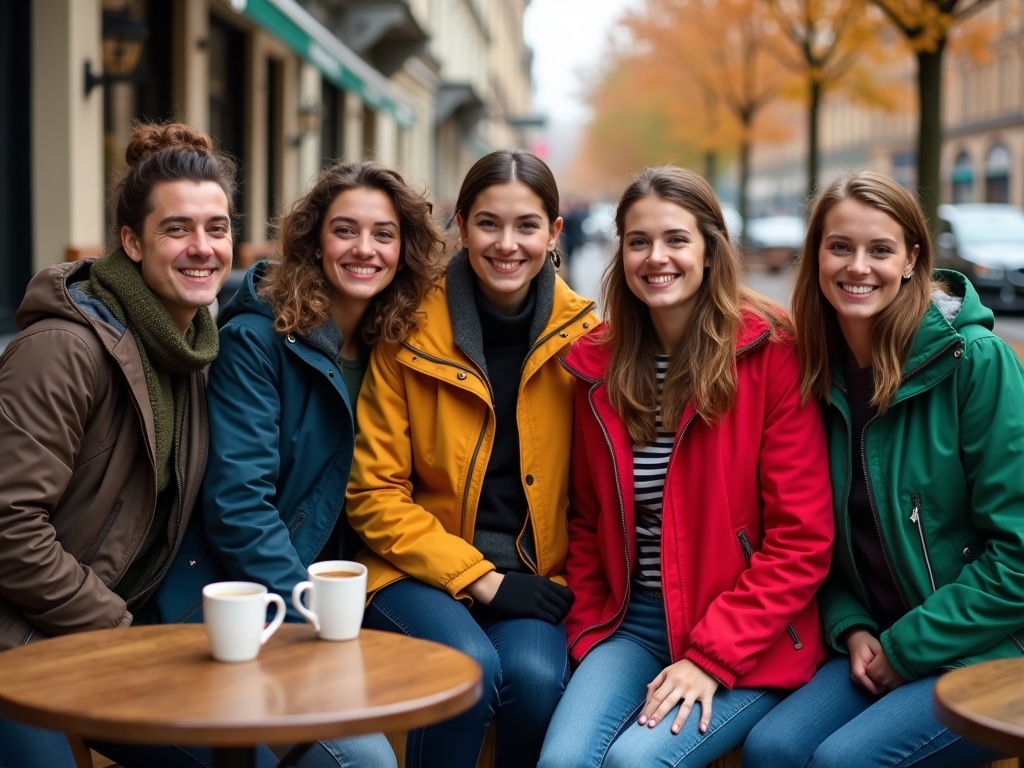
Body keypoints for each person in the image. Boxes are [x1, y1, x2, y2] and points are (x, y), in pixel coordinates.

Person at [142, 159, 447, 768]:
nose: (365, 249)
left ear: (406, 249)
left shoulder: (398, 344)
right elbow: (237, 507)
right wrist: (314, 612)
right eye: (345, 231)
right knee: (365, 761)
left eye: (384, 234)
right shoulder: (258, 341)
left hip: (339, 586)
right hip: (246, 603)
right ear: (312, 242)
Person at [537, 166, 835, 768]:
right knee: (562, 762)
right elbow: (590, 520)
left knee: (634, 763)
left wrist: (710, 656)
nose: (657, 257)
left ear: (709, 248)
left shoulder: (770, 352)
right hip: (635, 624)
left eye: (676, 239)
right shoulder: (597, 366)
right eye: (638, 241)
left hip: (747, 635)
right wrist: (590, 627)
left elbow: (801, 541)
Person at [742, 171, 1023, 768]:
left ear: (911, 258)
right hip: (878, 637)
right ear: (816, 253)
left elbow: (1019, 556)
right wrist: (850, 623)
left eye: (880, 249)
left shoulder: (974, 363)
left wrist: (906, 646)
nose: (857, 266)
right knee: (772, 747)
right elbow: (818, 533)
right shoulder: (818, 373)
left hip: (991, 647)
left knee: (842, 761)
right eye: (840, 246)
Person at [345, 148, 599, 768]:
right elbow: (372, 494)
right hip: (412, 570)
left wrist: (555, 584)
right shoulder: (406, 328)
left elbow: (597, 497)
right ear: (460, 225)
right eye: (488, 223)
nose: (506, 244)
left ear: (555, 232)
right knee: (468, 668)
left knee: (536, 681)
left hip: (533, 578)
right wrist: (482, 581)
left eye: (527, 225)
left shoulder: (589, 338)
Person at [0, 123, 233, 766]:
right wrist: (119, 634)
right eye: (176, 229)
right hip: (20, 636)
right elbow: (9, 528)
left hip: (99, 631)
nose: (202, 248)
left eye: (216, 228)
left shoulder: (194, 352)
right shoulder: (61, 351)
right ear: (131, 242)